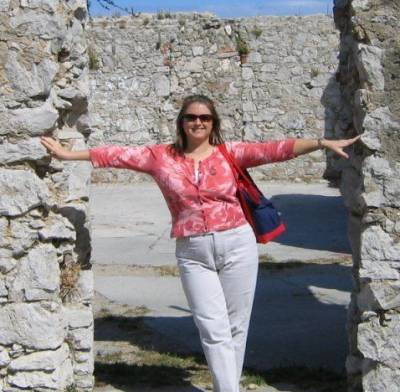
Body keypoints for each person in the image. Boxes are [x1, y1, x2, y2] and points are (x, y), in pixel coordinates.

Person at [41, 94, 359, 392]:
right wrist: (69, 155)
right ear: (182, 122)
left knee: (236, 324)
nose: (198, 122)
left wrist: (321, 143)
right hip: (193, 250)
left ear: (213, 123)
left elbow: (276, 149)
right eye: (191, 117)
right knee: (211, 326)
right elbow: (114, 155)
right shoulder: (160, 157)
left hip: (237, 243)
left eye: (205, 118)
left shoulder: (229, 153)